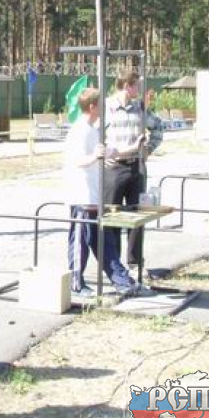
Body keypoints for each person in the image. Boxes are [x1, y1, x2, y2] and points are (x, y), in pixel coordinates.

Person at [64, 88, 137, 295]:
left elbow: (109, 152)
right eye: (101, 106)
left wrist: (133, 147)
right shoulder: (80, 130)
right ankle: (75, 283)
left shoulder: (93, 130)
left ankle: (122, 281)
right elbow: (77, 160)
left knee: (104, 243)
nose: (105, 110)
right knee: (80, 242)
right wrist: (95, 156)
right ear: (92, 107)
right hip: (82, 196)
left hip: (94, 197)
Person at [104, 70, 164, 269]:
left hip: (136, 168)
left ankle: (135, 263)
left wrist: (148, 149)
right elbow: (95, 136)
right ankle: (113, 264)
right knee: (112, 216)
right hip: (114, 169)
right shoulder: (107, 107)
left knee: (137, 216)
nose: (139, 89)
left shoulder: (140, 108)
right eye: (137, 85)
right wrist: (103, 157)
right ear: (127, 86)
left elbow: (158, 127)